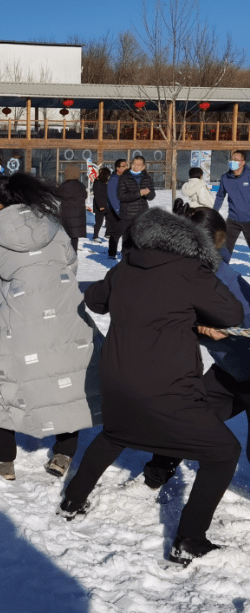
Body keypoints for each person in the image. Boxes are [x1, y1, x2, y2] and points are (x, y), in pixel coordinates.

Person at [59, 207, 243, 566]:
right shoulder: (192, 271)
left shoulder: (127, 265)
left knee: (115, 434)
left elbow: (95, 299)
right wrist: (196, 313)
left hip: (117, 377)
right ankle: (189, 539)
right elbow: (233, 313)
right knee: (223, 452)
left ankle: (72, 501)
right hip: (165, 384)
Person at [0, 174, 103, 480]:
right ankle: (63, 455)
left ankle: (4, 461)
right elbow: (71, 265)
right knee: (66, 379)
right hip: (65, 314)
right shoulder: (52, 223)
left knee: (6, 381)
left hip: (20, 320)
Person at [142, 201, 250, 493]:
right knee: (188, 416)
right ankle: (159, 468)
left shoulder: (217, 280)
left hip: (245, 366)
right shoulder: (195, 269)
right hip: (230, 369)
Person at [214, 150, 250, 255]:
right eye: (231, 159)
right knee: (224, 250)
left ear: (243, 162)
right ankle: (222, 270)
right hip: (233, 220)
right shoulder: (225, 178)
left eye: (236, 160)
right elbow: (220, 196)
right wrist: (214, 212)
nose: (232, 162)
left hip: (249, 220)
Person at [117, 155, 155, 243]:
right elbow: (121, 196)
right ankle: (125, 256)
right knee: (128, 242)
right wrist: (139, 193)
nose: (135, 167)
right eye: (134, 164)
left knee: (140, 242)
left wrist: (148, 193)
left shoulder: (147, 178)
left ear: (143, 167)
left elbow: (152, 196)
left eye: (138, 165)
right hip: (128, 215)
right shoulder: (124, 177)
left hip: (142, 216)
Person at [57, 164, 87, 252]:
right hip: (78, 216)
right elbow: (85, 196)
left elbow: (57, 197)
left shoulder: (63, 186)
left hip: (66, 215)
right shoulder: (81, 186)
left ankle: (66, 255)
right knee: (75, 238)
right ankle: (74, 255)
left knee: (65, 237)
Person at [106, 159, 127, 259]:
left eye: (126, 165)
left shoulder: (124, 178)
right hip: (115, 210)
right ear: (118, 168)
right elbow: (112, 197)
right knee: (116, 233)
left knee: (125, 232)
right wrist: (118, 211)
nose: (126, 167)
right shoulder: (114, 179)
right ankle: (112, 253)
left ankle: (124, 251)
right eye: (124, 166)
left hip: (123, 210)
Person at [91, 167, 111, 243]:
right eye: (108, 175)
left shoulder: (105, 182)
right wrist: (100, 206)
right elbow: (97, 195)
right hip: (100, 205)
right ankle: (95, 236)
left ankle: (108, 234)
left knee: (110, 220)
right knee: (99, 222)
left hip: (107, 205)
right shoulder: (98, 182)